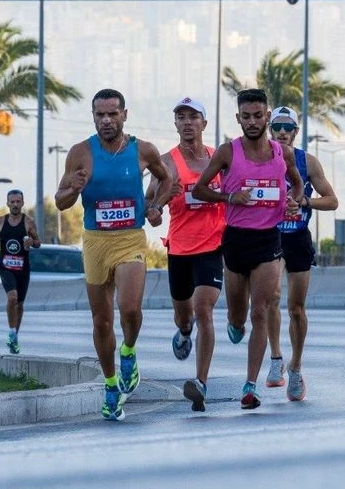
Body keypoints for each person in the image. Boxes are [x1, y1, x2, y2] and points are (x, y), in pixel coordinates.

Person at [55, 88, 174, 421]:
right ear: (93, 116)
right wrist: (74, 188)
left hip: (130, 239)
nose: (106, 120)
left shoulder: (143, 151)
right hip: (95, 242)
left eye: (112, 114)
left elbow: (169, 181)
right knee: (102, 320)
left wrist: (154, 206)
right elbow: (60, 201)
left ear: (125, 114)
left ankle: (129, 352)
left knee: (130, 309)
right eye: (99, 115)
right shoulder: (81, 153)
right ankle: (110, 386)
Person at [193, 89, 303, 410]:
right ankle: (234, 323)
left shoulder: (283, 153)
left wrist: (292, 201)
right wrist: (229, 198)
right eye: (246, 116)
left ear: (267, 117)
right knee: (238, 317)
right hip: (236, 241)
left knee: (261, 311)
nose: (252, 122)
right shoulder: (228, 152)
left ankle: (250, 386)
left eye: (258, 116)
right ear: (238, 118)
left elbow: (295, 182)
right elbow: (200, 189)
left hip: (269, 240)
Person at [146, 97, 226, 412]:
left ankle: (200, 383)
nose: (187, 122)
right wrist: (153, 209)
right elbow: (149, 200)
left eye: (193, 117)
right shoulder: (167, 162)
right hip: (179, 247)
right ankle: (183, 331)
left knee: (203, 308)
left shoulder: (219, 159)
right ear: (176, 124)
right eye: (181, 117)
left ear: (204, 123)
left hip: (213, 245)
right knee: (184, 314)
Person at [264, 106, 337, 402]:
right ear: (270, 131)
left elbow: (332, 201)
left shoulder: (309, 161)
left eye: (288, 128)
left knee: (296, 308)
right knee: (270, 298)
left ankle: (295, 367)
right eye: (277, 127)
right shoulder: (260, 159)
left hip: (298, 238)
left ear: (296, 131)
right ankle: (276, 358)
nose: (282, 132)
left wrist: (305, 202)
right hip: (270, 236)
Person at [0, 188, 41, 354]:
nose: (14, 204)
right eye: (12, 202)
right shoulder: (0, 220)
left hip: (22, 268)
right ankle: (12, 332)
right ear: (7, 203)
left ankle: (14, 336)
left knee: (19, 303)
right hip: (5, 266)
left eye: (17, 202)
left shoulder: (28, 222)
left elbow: (38, 242)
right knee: (12, 297)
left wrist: (31, 243)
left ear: (22, 203)